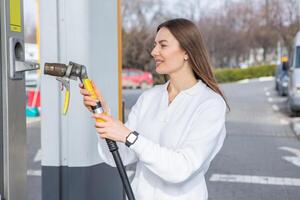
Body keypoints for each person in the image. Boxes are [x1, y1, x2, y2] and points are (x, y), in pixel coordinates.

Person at [80, 18, 228, 200]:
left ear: (187, 52)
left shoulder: (210, 104)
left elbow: (182, 169)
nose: (153, 52)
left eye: (163, 45)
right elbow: (120, 156)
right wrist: (101, 113)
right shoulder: (150, 97)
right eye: (154, 45)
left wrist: (129, 136)